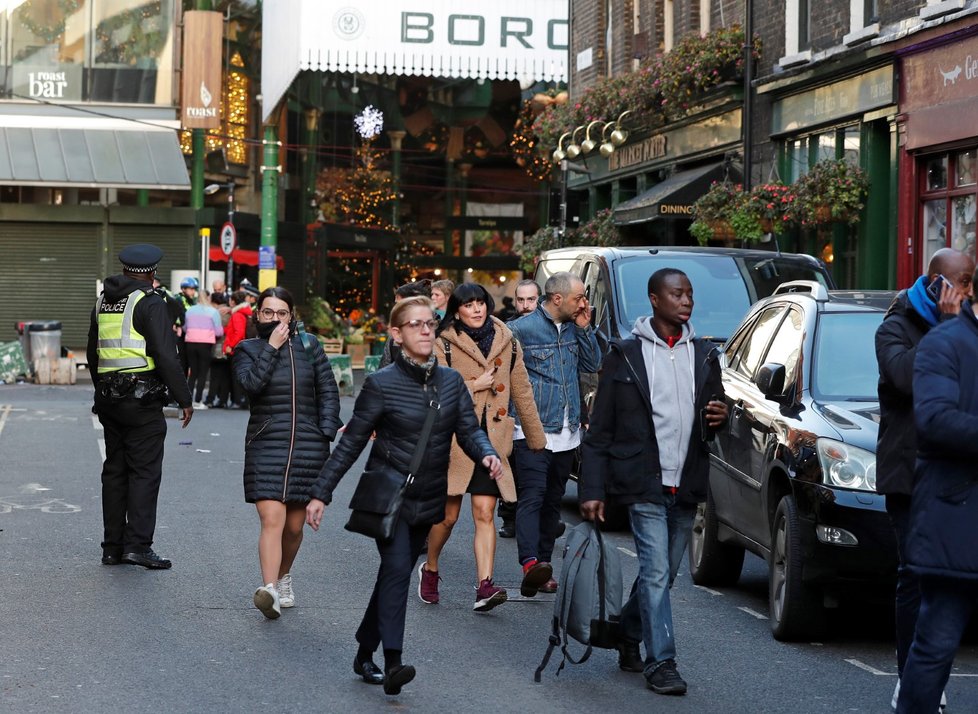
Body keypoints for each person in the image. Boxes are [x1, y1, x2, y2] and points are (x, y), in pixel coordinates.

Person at [306, 295, 501, 696]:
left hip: (428, 499)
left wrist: (486, 454)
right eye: (415, 324)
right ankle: (393, 661)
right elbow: (351, 443)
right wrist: (320, 493)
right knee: (396, 570)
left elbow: (468, 429)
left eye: (430, 322)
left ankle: (364, 649)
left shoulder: (450, 383)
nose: (426, 330)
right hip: (389, 498)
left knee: (391, 576)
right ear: (396, 334)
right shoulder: (381, 384)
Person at [580, 268, 727, 696]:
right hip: (642, 482)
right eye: (677, 294)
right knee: (658, 570)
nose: (686, 301)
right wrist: (591, 489)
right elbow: (599, 431)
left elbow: (713, 417)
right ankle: (662, 662)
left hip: (688, 480)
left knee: (662, 575)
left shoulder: (704, 355)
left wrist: (720, 417)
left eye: (690, 295)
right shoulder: (624, 355)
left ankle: (626, 632)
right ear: (654, 299)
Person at [875, 247, 973, 711]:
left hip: (955, 481)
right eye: (960, 282)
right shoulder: (895, 325)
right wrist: (948, 327)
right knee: (915, 578)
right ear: (935, 283)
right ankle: (910, 677)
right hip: (907, 474)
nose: (966, 292)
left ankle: (924, 675)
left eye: (971, 281)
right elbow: (904, 378)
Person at [419, 283, 545, 611]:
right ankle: (430, 568)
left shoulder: (508, 341)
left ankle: (485, 585)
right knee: (446, 518)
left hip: (492, 442)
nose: (476, 310)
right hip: (453, 442)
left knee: (485, 512)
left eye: (480, 303)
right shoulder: (441, 343)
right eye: (468, 305)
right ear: (456, 309)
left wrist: (536, 439)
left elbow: (522, 390)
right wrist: (476, 385)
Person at [233, 287, 341, 619]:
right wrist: (272, 348)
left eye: (282, 313)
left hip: (308, 447)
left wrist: (324, 431)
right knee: (272, 520)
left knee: (294, 527)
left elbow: (328, 392)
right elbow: (250, 387)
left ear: (291, 316)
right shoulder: (247, 349)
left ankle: (282, 577)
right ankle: (269, 591)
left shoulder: (310, 346)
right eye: (268, 313)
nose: (276, 319)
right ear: (258, 315)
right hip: (266, 444)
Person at [86, 244, 193, 569]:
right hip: (142, 401)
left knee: (115, 472)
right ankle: (138, 546)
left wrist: (102, 390)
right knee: (145, 472)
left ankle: (112, 547)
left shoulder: (104, 301)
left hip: (109, 399)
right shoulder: (149, 302)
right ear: (150, 272)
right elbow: (165, 355)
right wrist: (184, 398)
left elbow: (93, 353)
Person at [509, 271, 600, 596]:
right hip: (531, 430)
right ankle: (530, 563)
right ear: (558, 299)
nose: (583, 303)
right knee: (532, 496)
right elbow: (504, 378)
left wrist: (585, 328)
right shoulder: (520, 329)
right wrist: (509, 421)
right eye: (578, 298)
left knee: (552, 502)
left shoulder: (577, 326)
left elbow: (592, 364)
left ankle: (542, 568)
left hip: (568, 431)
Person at [498, 278, 542, 538]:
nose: (526, 305)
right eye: (521, 300)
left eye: (531, 299)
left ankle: (538, 517)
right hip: (512, 410)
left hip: (543, 410)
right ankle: (510, 517)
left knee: (537, 470)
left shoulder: (555, 329)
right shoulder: (508, 330)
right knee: (511, 467)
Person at [183, 290, 224, 409]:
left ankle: (187, 400)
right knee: (202, 373)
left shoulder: (190, 310)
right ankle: (198, 400)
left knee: (193, 373)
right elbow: (218, 331)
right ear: (208, 298)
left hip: (190, 343)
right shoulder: (213, 312)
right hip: (205, 344)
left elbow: (185, 327)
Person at [379, 280, 433, 368]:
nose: (396, 308)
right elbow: (384, 367)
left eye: (400, 304)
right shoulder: (396, 333)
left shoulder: (436, 330)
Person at [225, 290, 253, 408]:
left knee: (235, 376)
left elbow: (239, 333)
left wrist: (230, 345)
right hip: (240, 348)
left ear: (233, 301)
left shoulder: (237, 315)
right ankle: (240, 400)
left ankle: (237, 400)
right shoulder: (243, 313)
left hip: (235, 348)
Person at [205, 292, 232, 408]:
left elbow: (214, 330)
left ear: (214, 302)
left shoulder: (215, 313)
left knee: (215, 375)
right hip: (227, 347)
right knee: (225, 375)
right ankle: (223, 400)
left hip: (217, 346)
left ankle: (210, 399)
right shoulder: (230, 313)